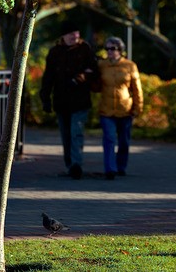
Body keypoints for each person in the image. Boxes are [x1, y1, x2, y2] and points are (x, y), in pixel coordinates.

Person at [40, 20, 98, 179]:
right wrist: (45, 98)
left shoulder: (85, 49)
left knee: (76, 132)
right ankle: (69, 164)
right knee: (66, 135)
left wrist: (80, 77)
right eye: (71, 34)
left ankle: (76, 164)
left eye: (76, 33)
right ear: (63, 36)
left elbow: (94, 70)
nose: (75, 36)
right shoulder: (54, 52)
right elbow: (48, 77)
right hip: (61, 100)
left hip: (80, 100)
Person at [96, 36, 143, 180]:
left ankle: (121, 166)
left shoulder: (130, 65)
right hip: (107, 110)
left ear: (120, 50)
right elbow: (95, 84)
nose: (109, 52)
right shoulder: (102, 65)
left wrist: (137, 108)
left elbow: (136, 89)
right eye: (107, 49)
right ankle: (110, 169)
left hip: (125, 109)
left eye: (113, 49)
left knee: (124, 142)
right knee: (109, 139)